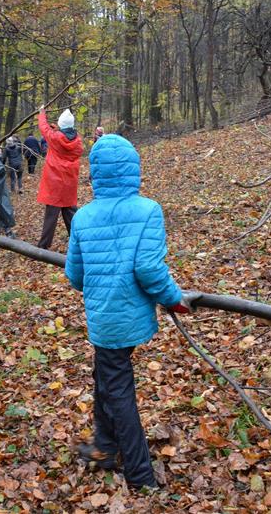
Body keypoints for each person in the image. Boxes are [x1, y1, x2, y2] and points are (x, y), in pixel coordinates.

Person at [65, 134, 193, 490]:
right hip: (127, 318)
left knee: (113, 384)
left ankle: (135, 472)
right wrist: (172, 298)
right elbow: (150, 269)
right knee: (109, 380)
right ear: (133, 170)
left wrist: (169, 297)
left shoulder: (83, 217)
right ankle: (116, 456)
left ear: (96, 174)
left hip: (104, 318)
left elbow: (74, 275)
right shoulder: (148, 210)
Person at [36, 107, 83, 250]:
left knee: (51, 217)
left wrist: (42, 112)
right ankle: (79, 244)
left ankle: (43, 247)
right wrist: (57, 128)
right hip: (69, 182)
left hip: (55, 183)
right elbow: (61, 135)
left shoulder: (55, 138)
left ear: (61, 125)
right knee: (71, 216)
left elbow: (44, 128)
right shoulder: (78, 141)